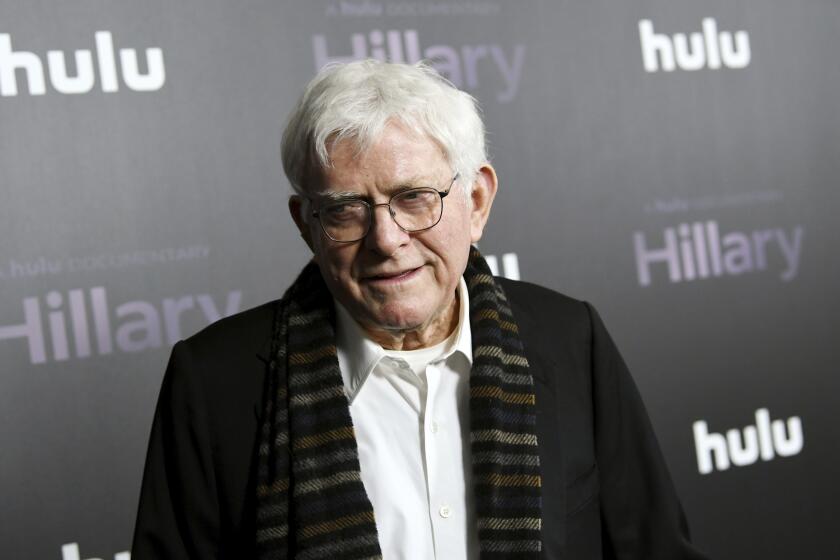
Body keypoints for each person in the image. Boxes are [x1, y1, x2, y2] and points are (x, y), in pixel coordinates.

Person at [132, 59, 707, 559]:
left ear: (476, 201)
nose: (387, 239)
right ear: (306, 225)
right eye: (346, 210)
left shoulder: (569, 338)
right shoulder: (211, 383)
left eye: (414, 198)